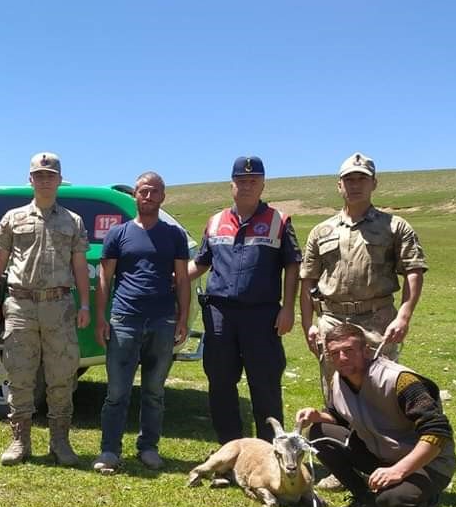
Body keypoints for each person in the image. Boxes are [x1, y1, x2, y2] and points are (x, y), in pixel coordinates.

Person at [0, 152, 91, 466]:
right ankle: (20, 441)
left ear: (59, 180)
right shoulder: (13, 218)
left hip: (59, 306)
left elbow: (80, 266)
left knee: (61, 376)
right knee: (19, 375)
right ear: (30, 179)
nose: (44, 180)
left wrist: (84, 304)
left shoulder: (73, 222)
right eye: (39, 175)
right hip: (20, 305)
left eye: (50, 175)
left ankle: (60, 442)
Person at [296, 322, 456, 507]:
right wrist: (317, 415)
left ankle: (424, 506)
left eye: (349, 350)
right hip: (382, 452)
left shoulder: (399, 380)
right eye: (335, 353)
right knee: (319, 432)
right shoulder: (339, 379)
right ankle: (364, 498)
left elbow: (437, 431)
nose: (342, 359)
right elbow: (342, 417)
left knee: (391, 501)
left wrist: (398, 471)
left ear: (366, 350)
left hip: (427, 463)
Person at [187, 156, 301, 444]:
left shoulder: (279, 220)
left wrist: (288, 308)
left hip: (262, 316)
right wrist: (168, 278)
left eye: (253, 181)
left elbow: (292, 265)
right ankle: (230, 450)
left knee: (264, 385)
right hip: (220, 315)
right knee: (221, 383)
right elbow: (200, 263)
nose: (247, 186)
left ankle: (268, 451)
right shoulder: (215, 222)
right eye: (241, 181)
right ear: (231, 185)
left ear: (263, 184)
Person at [299, 152, 428, 397]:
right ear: (339, 185)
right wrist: (308, 326)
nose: (355, 185)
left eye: (362, 179)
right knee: (335, 392)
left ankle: (380, 436)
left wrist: (403, 316)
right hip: (333, 321)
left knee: (380, 390)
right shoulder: (320, 231)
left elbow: (414, 270)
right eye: (349, 180)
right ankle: (339, 435)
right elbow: (308, 280)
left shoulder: (395, 226)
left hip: (378, 321)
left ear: (374, 183)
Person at [93, 172, 190, 472]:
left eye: (154, 192)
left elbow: (183, 279)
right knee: (117, 393)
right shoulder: (118, 234)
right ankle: (110, 450)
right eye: (143, 191)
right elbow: (104, 278)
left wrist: (183, 318)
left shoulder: (174, 236)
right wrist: (101, 318)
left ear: (163, 196)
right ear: (134, 195)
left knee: (154, 392)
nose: (148, 197)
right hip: (124, 320)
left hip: (162, 321)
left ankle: (148, 448)